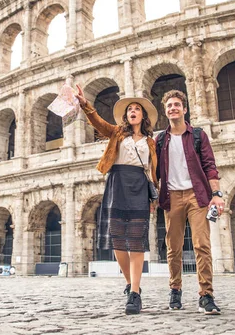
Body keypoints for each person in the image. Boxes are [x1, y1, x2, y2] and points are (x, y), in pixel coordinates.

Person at [75, 84, 158, 315]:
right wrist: (85, 105)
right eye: (129, 109)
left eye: (137, 109)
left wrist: (154, 198)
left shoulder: (151, 142)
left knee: (137, 241)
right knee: (118, 241)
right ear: (126, 115)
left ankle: (134, 292)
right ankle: (131, 282)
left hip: (139, 186)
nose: (133, 111)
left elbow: (153, 170)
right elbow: (98, 123)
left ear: (143, 116)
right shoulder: (117, 133)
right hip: (117, 182)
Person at [155, 90, 225, 315]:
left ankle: (206, 295)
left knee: (201, 245)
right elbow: (154, 170)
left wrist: (217, 195)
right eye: (169, 106)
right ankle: (175, 290)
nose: (173, 108)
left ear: (184, 109)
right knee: (173, 248)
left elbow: (209, 165)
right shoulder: (161, 139)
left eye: (176, 105)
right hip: (172, 196)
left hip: (197, 195)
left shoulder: (197, 135)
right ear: (165, 111)